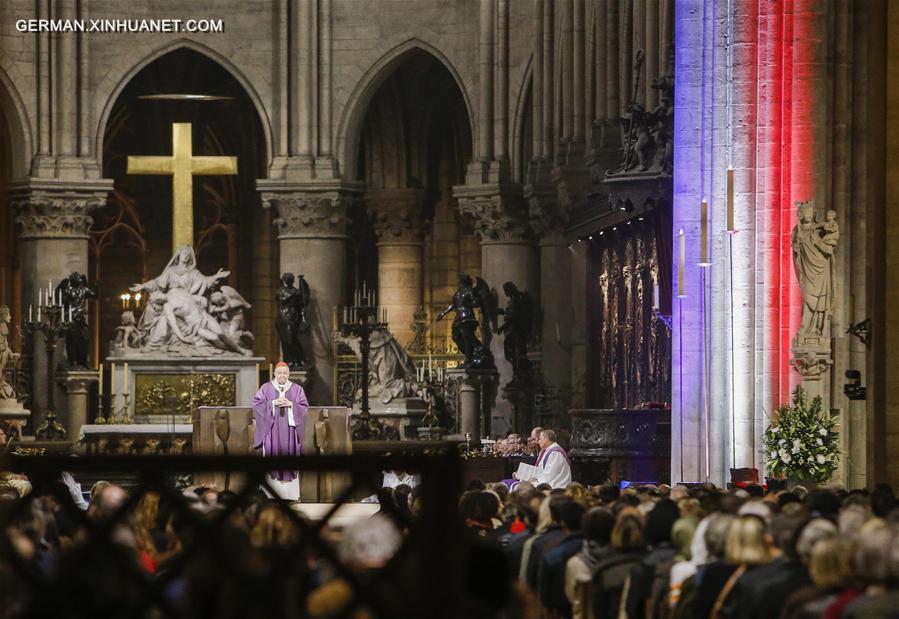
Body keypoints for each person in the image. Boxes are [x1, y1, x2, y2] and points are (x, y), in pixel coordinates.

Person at [252, 361, 309, 501]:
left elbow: (304, 408)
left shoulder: (297, 389)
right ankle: (271, 495)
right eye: (279, 373)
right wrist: (272, 403)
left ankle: (290, 495)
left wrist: (291, 405)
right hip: (271, 431)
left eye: (285, 373)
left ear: (289, 373)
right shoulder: (265, 388)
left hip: (290, 432)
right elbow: (256, 405)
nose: (282, 375)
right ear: (274, 374)